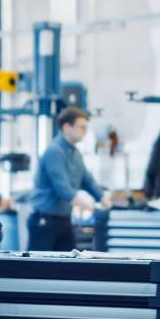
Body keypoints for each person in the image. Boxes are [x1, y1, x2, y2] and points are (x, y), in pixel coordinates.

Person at [28, 106, 111, 251]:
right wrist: (91, 206)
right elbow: (63, 189)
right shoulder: (54, 152)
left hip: (64, 220)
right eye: (81, 127)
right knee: (37, 269)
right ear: (67, 127)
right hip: (44, 222)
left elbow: (87, 180)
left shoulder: (75, 153)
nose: (85, 132)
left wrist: (103, 198)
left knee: (68, 265)